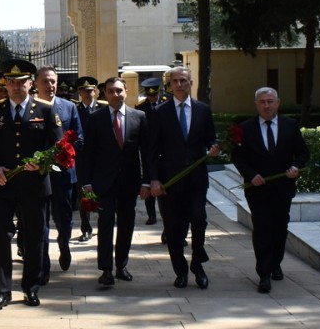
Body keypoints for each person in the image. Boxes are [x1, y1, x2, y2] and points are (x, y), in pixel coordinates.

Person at [0, 60, 63, 310]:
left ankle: (31, 288)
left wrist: (43, 162)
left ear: (30, 83)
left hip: (34, 185)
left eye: (20, 82)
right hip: (1, 185)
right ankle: (3, 290)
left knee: (34, 238)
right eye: (10, 82)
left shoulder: (45, 109)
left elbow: (58, 145)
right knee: (1, 238)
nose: (15, 87)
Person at [146, 67, 220, 289]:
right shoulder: (160, 112)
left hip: (196, 180)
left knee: (199, 221)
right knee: (174, 229)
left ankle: (198, 264)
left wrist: (214, 148)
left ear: (190, 82)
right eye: (175, 81)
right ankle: (180, 271)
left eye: (183, 81)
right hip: (170, 182)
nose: (179, 84)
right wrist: (154, 180)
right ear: (170, 84)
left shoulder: (202, 110)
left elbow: (211, 139)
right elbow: (151, 150)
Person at [231, 87, 309, 293]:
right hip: (258, 189)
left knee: (279, 228)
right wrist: (251, 175)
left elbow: (302, 153)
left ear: (278, 103)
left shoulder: (290, 126)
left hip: (283, 187)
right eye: (262, 102)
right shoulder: (245, 128)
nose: (267, 105)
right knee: (262, 229)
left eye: (270, 101)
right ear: (256, 104)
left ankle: (276, 263)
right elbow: (237, 157)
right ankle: (263, 273)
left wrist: (296, 167)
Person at [78, 77, 148, 288]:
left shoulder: (140, 117)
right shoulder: (95, 119)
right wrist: (86, 182)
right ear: (104, 94)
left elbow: (146, 152)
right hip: (103, 182)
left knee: (126, 224)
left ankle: (121, 266)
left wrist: (146, 181)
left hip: (129, 182)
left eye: (119, 91)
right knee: (106, 222)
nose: (115, 95)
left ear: (126, 92)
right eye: (111, 91)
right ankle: (106, 269)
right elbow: (87, 153)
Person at [35, 66, 82, 277]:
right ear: (36, 84)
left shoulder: (69, 107)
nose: (50, 85)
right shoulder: (31, 107)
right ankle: (43, 264)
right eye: (45, 81)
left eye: (53, 81)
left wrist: (67, 150)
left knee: (64, 218)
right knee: (40, 221)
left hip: (63, 173)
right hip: (38, 174)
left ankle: (64, 244)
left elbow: (79, 138)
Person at [73, 75, 104, 242]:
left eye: (90, 90)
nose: (87, 93)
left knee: (101, 190)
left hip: (100, 158)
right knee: (82, 192)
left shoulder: (103, 108)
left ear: (96, 91)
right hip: (82, 158)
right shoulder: (75, 110)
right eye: (84, 91)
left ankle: (103, 223)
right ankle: (86, 228)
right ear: (79, 92)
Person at [138, 76, 165, 226]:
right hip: (148, 152)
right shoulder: (141, 108)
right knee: (148, 182)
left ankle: (165, 215)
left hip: (164, 151)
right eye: (150, 95)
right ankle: (151, 215)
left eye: (154, 95)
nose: (152, 98)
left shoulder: (167, 103)